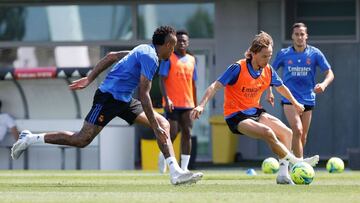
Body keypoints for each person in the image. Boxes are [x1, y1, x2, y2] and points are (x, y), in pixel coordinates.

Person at [11, 26, 202, 185]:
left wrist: (89, 77)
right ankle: (30, 138)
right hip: (108, 98)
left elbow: (111, 56)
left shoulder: (144, 49)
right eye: (174, 46)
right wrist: (154, 124)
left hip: (125, 100)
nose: (174, 50)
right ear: (167, 44)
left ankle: (175, 172)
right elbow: (144, 95)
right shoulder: (150, 58)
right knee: (81, 139)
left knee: (165, 124)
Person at [190, 31, 319, 185]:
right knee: (268, 132)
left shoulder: (268, 70)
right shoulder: (238, 68)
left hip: (256, 112)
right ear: (253, 53)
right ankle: (298, 162)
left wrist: (295, 103)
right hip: (236, 116)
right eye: (264, 56)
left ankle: (283, 175)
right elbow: (215, 86)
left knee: (287, 133)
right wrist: (201, 105)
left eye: (270, 55)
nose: (268, 59)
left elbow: (281, 87)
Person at [270, 22, 334, 159]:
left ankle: (292, 158)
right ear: (292, 36)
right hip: (289, 99)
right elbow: (269, 72)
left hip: (308, 99)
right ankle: (299, 165)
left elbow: (330, 73)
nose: (299, 37)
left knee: (303, 136)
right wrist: (269, 91)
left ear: (306, 36)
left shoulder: (315, 53)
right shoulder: (284, 54)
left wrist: (324, 84)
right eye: (297, 34)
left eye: (302, 34)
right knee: (297, 130)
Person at [158, 30, 197, 173]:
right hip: (171, 103)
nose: (181, 43)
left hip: (188, 104)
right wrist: (166, 98)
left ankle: (184, 167)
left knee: (187, 133)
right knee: (172, 133)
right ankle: (163, 155)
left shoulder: (192, 60)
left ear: (188, 43)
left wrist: (197, 105)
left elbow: (194, 84)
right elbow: (161, 80)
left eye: (184, 41)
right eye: (179, 40)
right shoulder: (169, 58)